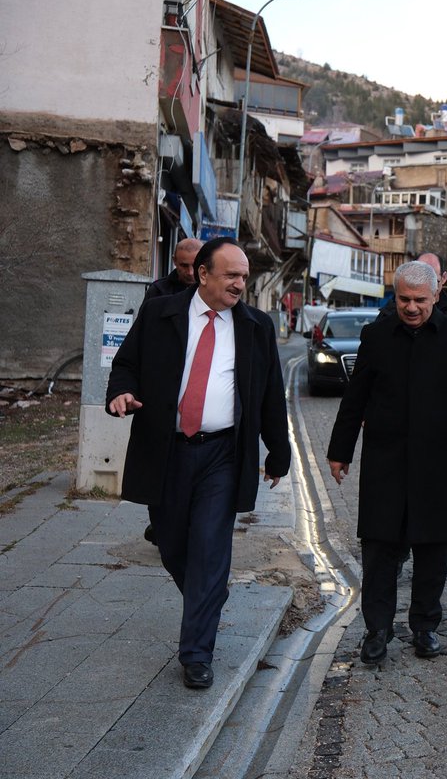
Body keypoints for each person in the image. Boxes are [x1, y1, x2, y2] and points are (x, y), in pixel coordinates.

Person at [106, 236, 290, 689]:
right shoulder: (160, 313)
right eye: (231, 275)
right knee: (171, 545)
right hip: (165, 450)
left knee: (210, 547)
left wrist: (278, 453)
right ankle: (209, 597)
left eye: (244, 277)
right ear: (203, 273)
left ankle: (196, 653)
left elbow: (270, 395)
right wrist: (121, 392)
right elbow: (126, 363)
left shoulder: (255, 327)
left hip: (222, 455)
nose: (240, 284)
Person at [327, 261, 447, 665]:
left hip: (436, 461)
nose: (413, 307)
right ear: (394, 295)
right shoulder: (377, 335)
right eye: (404, 299)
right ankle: (377, 629)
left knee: (433, 547)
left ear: (437, 296)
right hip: (385, 460)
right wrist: (340, 450)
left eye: (420, 300)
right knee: (380, 548)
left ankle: (425, 626)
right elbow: (356, 398)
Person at [139, 236, 204, 546]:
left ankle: (185, 527)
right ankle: (161, 523)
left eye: (195, 266)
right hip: (164, 390)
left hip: (198, 392)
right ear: (174, 263)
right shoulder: (158, 292)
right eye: (183, 266)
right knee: (159, 469)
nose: (189, 272)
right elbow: (142, 339)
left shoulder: (210, 293)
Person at [377, 251, 447, 373]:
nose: (426, 285)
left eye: (434, 280)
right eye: (418, 278)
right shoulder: (388, 315)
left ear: (444, 278)